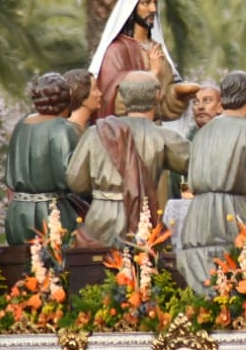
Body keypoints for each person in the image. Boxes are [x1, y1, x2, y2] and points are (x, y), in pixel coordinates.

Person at [176, 70, 246, 290]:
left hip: (196, 218)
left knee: (203, 292)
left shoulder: (202, 133)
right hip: (229, 215)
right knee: (231, 287)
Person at [66, 71, 190, 248]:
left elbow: (76, 182)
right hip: (140, 220)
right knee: (141, 264)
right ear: (157, 95)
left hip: (100, 220)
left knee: (96, 265)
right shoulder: (164, 137)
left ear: (122, 96)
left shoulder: (95, 133)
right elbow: (198, 166)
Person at [89, 0, 193, 123]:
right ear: (132, 8)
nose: (153, 9)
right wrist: (152, 74)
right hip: (126, 130)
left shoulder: (156, 48)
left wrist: (178, 92)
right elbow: (113, 98)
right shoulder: (117, 50)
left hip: (154, 130)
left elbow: (164, 100)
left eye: (155, 2)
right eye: (146, 3)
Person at [5, 73, 81, 245]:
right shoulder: (63, 129)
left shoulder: (21, 125)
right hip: (52, 212)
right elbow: (71, 177)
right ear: (67, 98)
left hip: (18, 213)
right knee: (58, 259)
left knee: (21, 260)